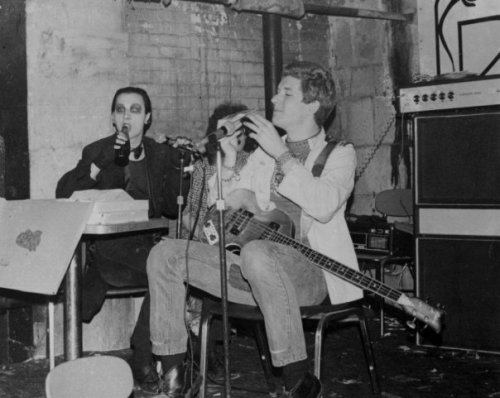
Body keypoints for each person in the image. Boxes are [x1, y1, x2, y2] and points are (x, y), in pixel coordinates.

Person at [146, 61, 363, 397]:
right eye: (277, 91)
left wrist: (282, 154)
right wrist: (231, 161)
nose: (274, 98)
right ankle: (174, 377)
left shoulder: (339, 154)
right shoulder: (261, 155)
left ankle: (297, 380)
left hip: (312, 275)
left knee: (257, 252)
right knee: (166, 253)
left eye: (286, 92)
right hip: (251, 272)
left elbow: (323, 205)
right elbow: (216, 221)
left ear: (313, 105)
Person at [55, 86, 190, 392]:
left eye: (135, 109)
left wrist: (180, 170)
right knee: (167, 271)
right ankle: (144, 356)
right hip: (112, 250)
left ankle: (143, 351)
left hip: (151, 245)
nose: (127, 116)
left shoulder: (160, 153)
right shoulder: (97, 150)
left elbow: (170, 208)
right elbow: (63, 194)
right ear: (112, 118)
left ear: (148, 117)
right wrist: (96, 165)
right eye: (120, 109)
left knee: (173, 270)